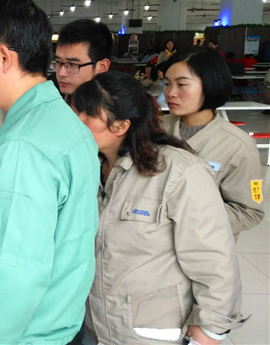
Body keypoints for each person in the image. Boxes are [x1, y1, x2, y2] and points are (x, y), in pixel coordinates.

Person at [0, 0, 100, 345]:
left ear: (3, 57)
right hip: (59, 321)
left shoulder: (23, 146)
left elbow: (15, 274)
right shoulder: (61, 120)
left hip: (23, 335)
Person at [72, 71, 247, 345]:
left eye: (86, 114)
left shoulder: (179, 172)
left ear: (120, 126)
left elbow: (214, 260)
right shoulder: (86, 167)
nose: (75, 121)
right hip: (95, 326)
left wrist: (210, 330)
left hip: (152, 332)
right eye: (76, 111)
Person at [162, 46, 265, 239]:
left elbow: (249, 212)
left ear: (210, 85)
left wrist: (187, 215)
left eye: (182, 84)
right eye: (167, 83)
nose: (170, 93)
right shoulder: (155, 128)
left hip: (200, 247)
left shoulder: (239, 146)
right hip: (150, 247)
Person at [54, 18, 112, 103]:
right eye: (58, 62)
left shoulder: (119, 109)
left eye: (72, 64)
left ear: (102, 67)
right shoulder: (50, 102)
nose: (61, 73)